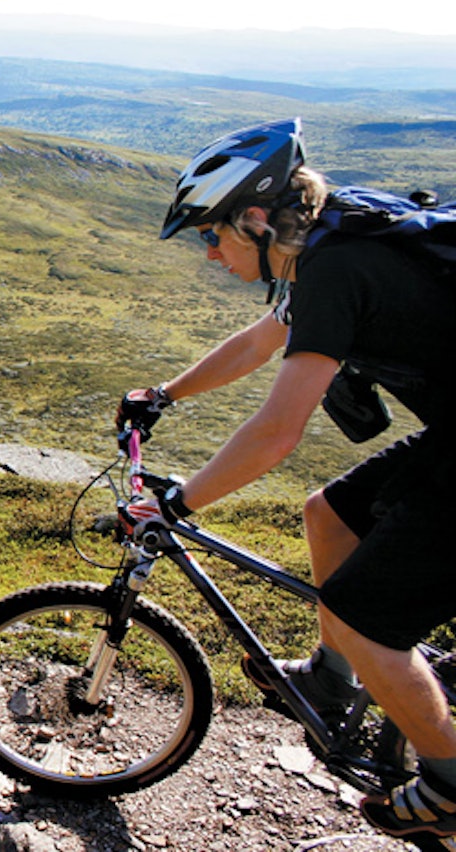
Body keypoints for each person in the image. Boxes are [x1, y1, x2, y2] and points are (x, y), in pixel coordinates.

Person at [116, 117, 456, 843]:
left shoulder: (334, 267)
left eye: (212, 234)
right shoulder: (323, 241)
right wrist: (165, 394)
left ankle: (451, 782)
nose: (210, 254)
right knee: (328, 514)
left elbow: (278, 432)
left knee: (370, 616)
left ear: (257, 218)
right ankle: (334, 679)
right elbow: (259, 342)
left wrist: (176, 502)